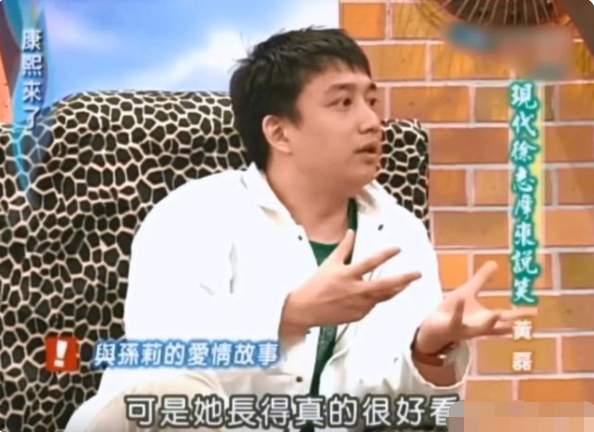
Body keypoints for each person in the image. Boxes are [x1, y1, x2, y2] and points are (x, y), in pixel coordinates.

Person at [66, 27, 535, 432]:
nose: (372, 122)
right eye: (343, 103)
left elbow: (394, 405)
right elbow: (165, 360)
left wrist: (426, 350)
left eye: (371, 101)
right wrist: (290, 315)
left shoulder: (399, 231)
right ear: (279, 132)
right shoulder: (194, 215)